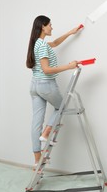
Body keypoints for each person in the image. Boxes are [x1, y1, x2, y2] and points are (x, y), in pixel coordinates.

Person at [26, 15, 80, 167]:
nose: (52, 27)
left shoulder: (37, 43)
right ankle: (47, 132)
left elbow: (55, 43)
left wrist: (70, 32)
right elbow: (46, 69)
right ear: (43, 26)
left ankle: (37, 159)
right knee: (61, 106)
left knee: (36, 122)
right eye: (50, 25)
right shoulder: (42, 45)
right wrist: (69, 67)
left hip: (34, 86)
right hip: (46, 84)